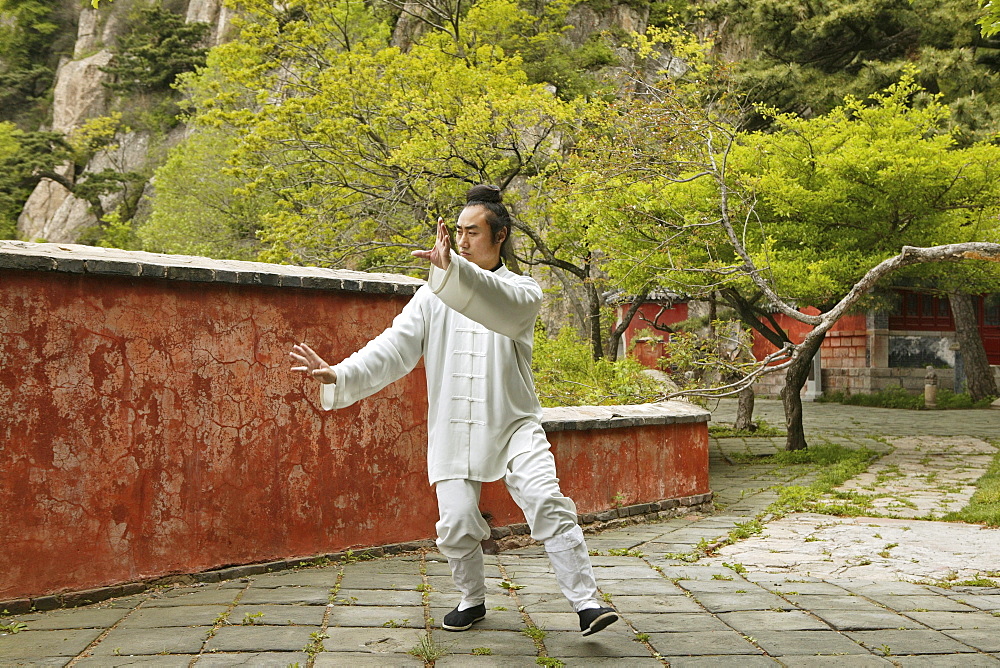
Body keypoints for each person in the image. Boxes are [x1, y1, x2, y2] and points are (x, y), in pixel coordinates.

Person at [289, 184, 618, 636]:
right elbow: (394, 347)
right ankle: (471, 599)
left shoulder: (523, 292)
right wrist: (341, 373)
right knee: (458, 522)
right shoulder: (432, 295)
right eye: (457, 232)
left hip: (513, 422)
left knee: (547, 502)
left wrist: (451, 275)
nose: (462, 242)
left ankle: (586, 603)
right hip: (453, 426)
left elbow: (492, 303)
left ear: (499, 236)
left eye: (473, 233)